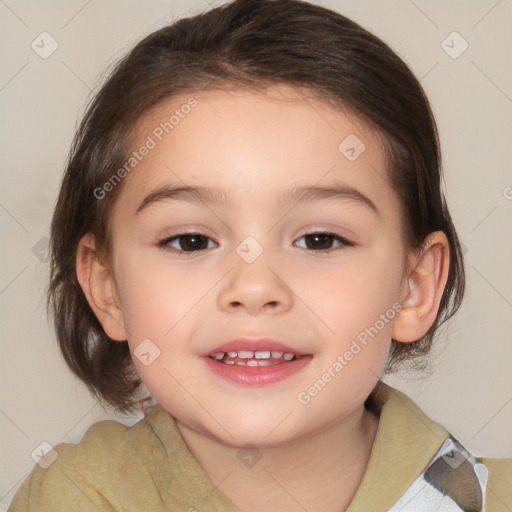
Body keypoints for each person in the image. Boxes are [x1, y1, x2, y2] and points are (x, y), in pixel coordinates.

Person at [8, 0, 511, 510]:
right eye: (190, 241)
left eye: (320, 240)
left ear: (415, 286)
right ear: (108, 287)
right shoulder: (73, 497)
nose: (253, 288)